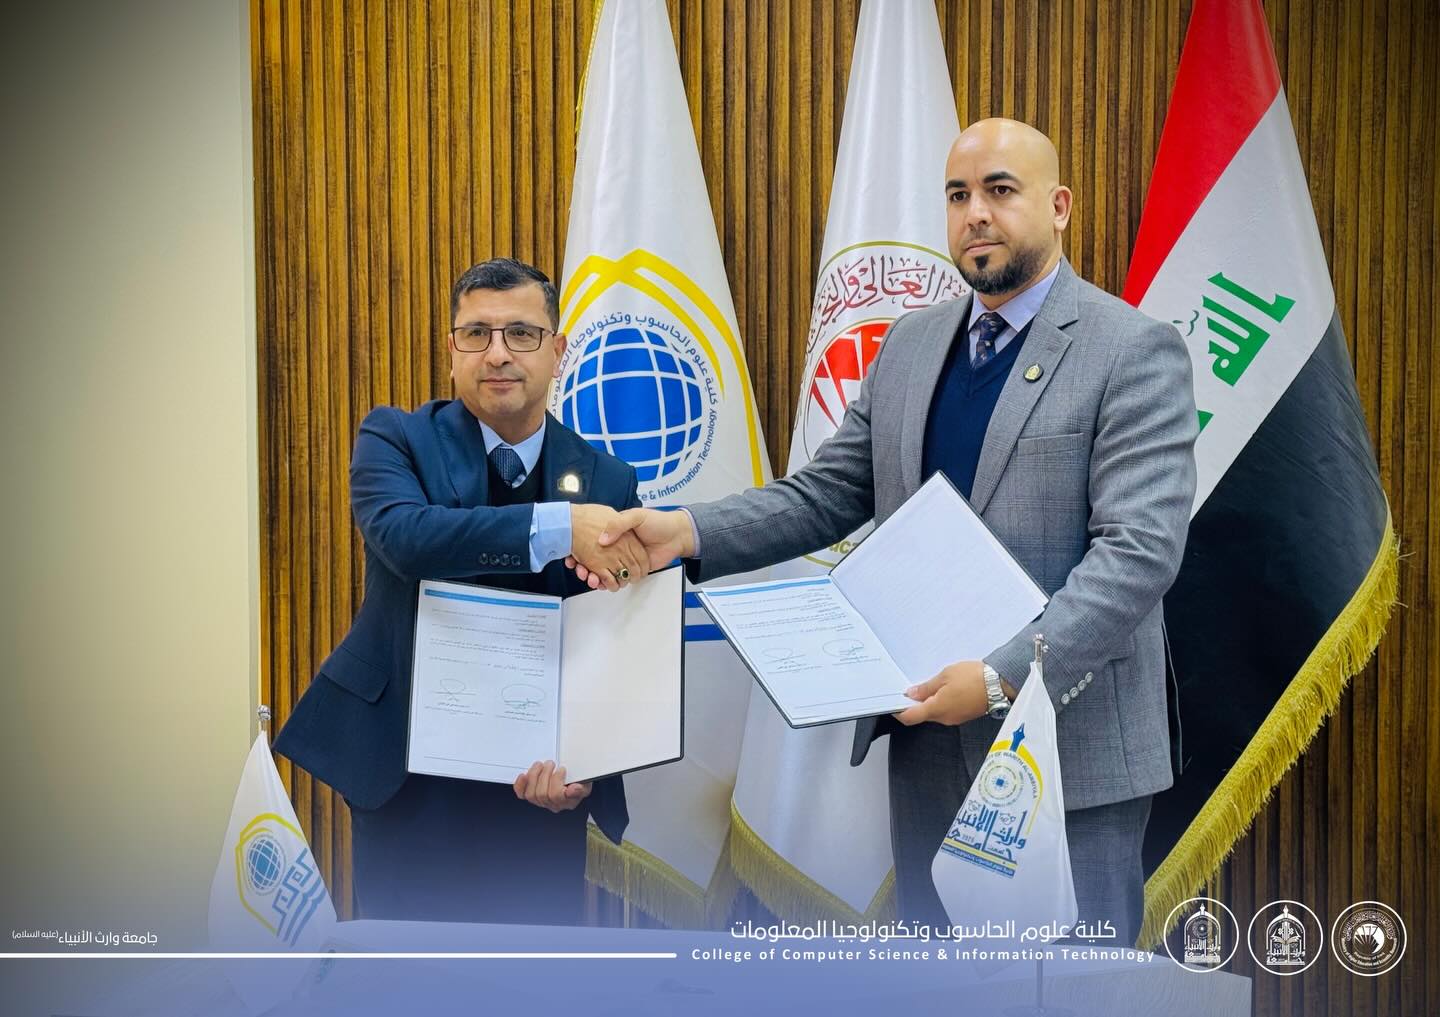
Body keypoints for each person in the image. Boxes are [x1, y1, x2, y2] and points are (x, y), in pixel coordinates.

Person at [579, 119, 1198, 942]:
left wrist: (1004, 677)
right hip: (926, 744)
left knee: (1066, 987)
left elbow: (1138, 553)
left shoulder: (1132, 349)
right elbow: (827, 493)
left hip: (1064, 752)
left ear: (1059, 207)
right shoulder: (912, 342)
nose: (976, 213)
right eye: (958, 195)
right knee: (932, 986)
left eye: (1000, 191)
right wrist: (685, 531)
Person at [275, 257, 652, 925]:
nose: (498, 354)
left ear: (559, 351)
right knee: (408, 973)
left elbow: (615, 639)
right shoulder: (395, 438)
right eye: (477, 333)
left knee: (534, 971)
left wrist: (588, 764)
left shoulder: (607, 480)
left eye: (521, 334)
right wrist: (561, 526)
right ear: (452, 350)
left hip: (539, 788)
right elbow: (407, 538)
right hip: (410, 782)